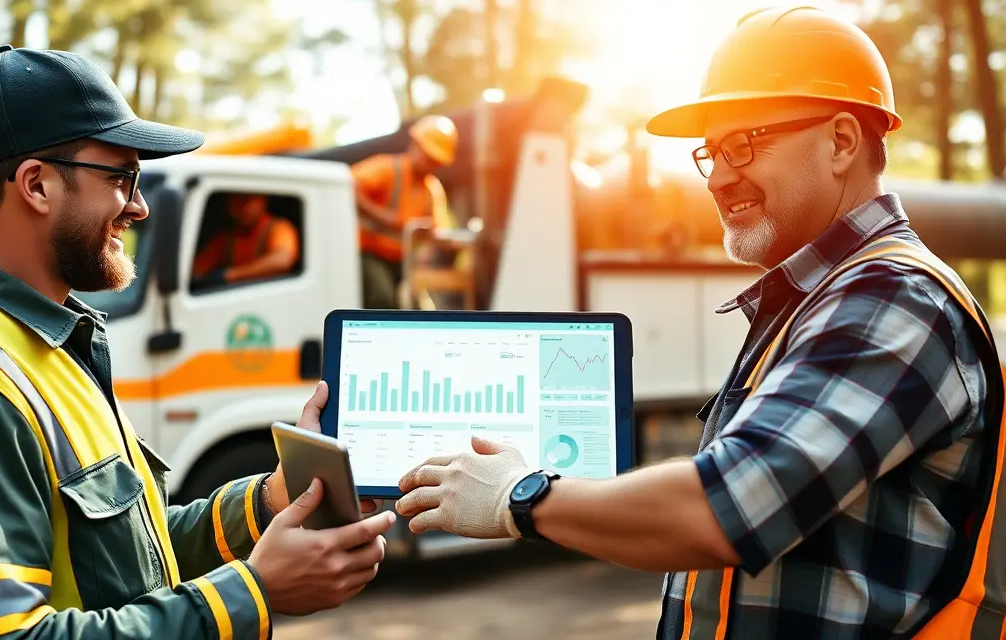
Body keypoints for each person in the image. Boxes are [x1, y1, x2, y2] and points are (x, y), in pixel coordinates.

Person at [393, 7, 1006, 639]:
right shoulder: (818, 299)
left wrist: (522, 496)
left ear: (842, 142)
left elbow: (731, 504)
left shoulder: (892, 297)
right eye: (710, 153)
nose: (717, 178)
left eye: (744, 145)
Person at [0, 45, 394, 640]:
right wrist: (252, 592)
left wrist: (270, 500)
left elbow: (132, 556)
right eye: (122, 177)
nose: (139, 206)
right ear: (36, 185)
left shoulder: (46, 348)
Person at [351, 114, 458, 308]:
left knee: (419, 306)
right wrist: (380, 215)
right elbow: (349, 186)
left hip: (402, 259)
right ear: (415, 145)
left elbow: (436, 228)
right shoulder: (387, 169)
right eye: (428, 156)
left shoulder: (431, 189)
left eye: (435, 161)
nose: (430, 164)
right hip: (368, 252)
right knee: (383, 298)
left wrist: (427, 248)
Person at [191, 193, 300, 289]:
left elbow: (282, 260)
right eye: (237, 201)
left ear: (263, 201)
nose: (244, 207)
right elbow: (197, 270)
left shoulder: (278, 228)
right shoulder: (226, 238)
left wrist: (232, 275)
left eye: (249, 201)